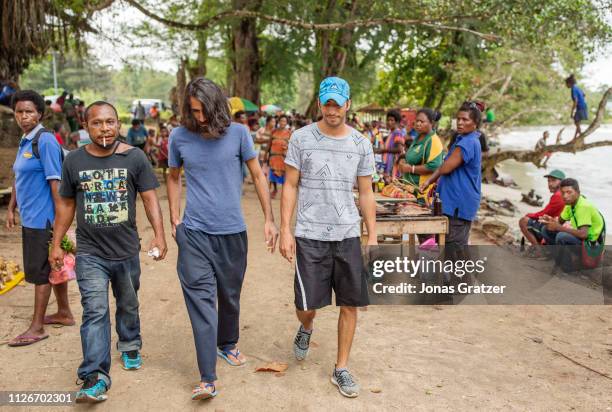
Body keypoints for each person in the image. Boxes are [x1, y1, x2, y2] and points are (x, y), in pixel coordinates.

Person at [167, 77, 278, 401]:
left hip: (232, 233)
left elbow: (258, 174)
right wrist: (175, 216)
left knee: (229, 296)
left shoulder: (239, 133)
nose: (198, 118)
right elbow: (173, 177)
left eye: (202, 111)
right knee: (201, 302)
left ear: (216, 107)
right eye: (192, 111)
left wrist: (269, 219)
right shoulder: (179, 136)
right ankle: (208, 378)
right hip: (195, 233)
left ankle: (227, 344)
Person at [49, 101, 167, 403]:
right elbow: (66, 204)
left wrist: (159, 234)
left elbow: (150, 198)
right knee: (95, 311)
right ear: (86, 128)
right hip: (90, 252)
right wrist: (56, 243)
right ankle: (94, 376)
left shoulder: (135, 157)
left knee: (128, 303)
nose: (105, 128)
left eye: (110, 122)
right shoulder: (73, 161)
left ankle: (129, 345)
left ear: (119, 124)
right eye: (97, 123)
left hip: (126, 250)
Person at [280, 76, 377, 398]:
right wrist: (285, 229)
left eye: (338, 103)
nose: (332, 109)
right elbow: (290, 184)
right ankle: (306, 327)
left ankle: (341, 368)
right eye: (327, 103)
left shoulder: (361, 143)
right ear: (320, 104)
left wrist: (372, 234)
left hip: (347, 233)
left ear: (348, 104)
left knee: (350, 304)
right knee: (307, 305)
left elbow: (366, 191)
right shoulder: (301, 138)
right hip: (309, 233)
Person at [6, 90, 74, 347]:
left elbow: (55, 183)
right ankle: (65, 312)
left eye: (29, 111)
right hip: (30, 217)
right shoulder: (26, 140)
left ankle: (36, 328)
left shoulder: (44, 141)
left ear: (40, 114)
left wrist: (60, 223)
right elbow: (19, 177)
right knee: (52, 267)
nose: (24, 116)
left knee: (40, 272)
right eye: (19, 112)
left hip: (43, 219)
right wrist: (12, 206)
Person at [420, 101, 483, 250]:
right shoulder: (463, 138)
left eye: (465, 120)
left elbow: (446, 167)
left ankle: (464, 274)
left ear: (475, 123)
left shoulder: (468, 142)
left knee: (454, 248)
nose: (460, 123)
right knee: (451, 246)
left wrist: (429, 180)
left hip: (458, 203)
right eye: (458, 119)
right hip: (455, 201)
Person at [539, 178, 604, 272]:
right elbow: (559, 223)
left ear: (578, 192)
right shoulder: (569, 205)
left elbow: (583, 234)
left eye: (569, 192)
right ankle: (562, 261)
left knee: (562, 236)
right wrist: (550, 221)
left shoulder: (583, 206)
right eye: (563, 192)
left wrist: (558, 227)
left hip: (591, 245)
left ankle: (568, 268)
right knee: (546, 229)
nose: (565, 196)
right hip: (582, 241)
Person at [397, 108, 444, 205]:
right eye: (417, 121)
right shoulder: (418, 137)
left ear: (431, 123)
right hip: (410, 190)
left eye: (422, 121)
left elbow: (435, 166)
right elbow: (411, 156)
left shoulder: (433, 141)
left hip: (422, 193)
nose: (418, 124)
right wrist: (403, 160)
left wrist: (411, 168)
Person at [518, 170, 566, 257]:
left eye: (553, 181)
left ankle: (539, 251)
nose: (550, 184)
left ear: (562, 182)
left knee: (523, 221)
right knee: (537, 222)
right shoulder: (565, 194)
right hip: (560, 228)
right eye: (549, 181)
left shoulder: (558, 195)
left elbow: (544, 213)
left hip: (556, 230)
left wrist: (529, 215)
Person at [376, 109, 405, 180]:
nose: (389, 122)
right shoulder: (391, 133)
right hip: (389, 164)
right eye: (388, 120)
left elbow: (399, 149)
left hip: (394, 166)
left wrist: (383, 150)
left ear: (397, 122)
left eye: (392, 120)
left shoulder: (397, 133)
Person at [267, 114, 292, 198]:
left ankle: (284, 191)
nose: (282, 123)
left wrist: (287, 146)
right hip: (274, 157)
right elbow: (269, 144)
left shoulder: (289, 133)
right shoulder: (274, 131)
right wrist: (265, 157)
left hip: (283, 157)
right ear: (279, 122)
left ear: (287, 123)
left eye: (284, 121)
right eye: (281, 121)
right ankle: (275, 189)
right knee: (272, 174)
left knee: (284, 175)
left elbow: (293, 145)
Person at [565, 74, 588, 139]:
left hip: (580, 107)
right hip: (584, 106)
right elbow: (584, 94)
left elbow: (575, 101)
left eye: (566, 84)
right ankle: (575, 138)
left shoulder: (573, 89)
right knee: (577, 123)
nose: (566, 85)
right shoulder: (577, 87)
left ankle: (581, 137)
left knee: (576, 122)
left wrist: (572, 112)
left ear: (569, 83)